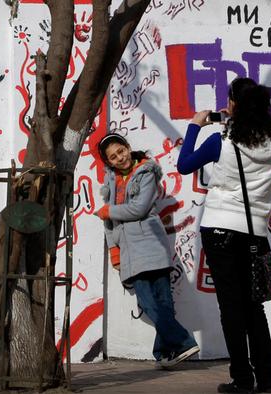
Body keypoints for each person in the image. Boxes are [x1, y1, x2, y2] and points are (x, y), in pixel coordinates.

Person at [177, 77, 271, 393]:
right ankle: (267, 378)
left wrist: (196, 125)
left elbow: (184, 165)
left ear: (233, 104)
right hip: (255, 231)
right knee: (255, 307)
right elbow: (254, 134)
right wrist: (236, 117)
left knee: (232, 307)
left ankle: (241, 378)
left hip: (221, 229)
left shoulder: (220, 141)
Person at [94, 133, 200, 369]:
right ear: (108, 162)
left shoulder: (146, 173)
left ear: (128, 148)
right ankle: (166, 350)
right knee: (150, 302)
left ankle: (177, 345)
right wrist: (114, 251)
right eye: (113, 157)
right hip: (130, 251)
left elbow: (139, 209)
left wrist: (109, 211)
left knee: (162, 302)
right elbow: (108, 223)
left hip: (152, 242)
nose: (120, 158)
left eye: (121, 151)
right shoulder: (111, 183)